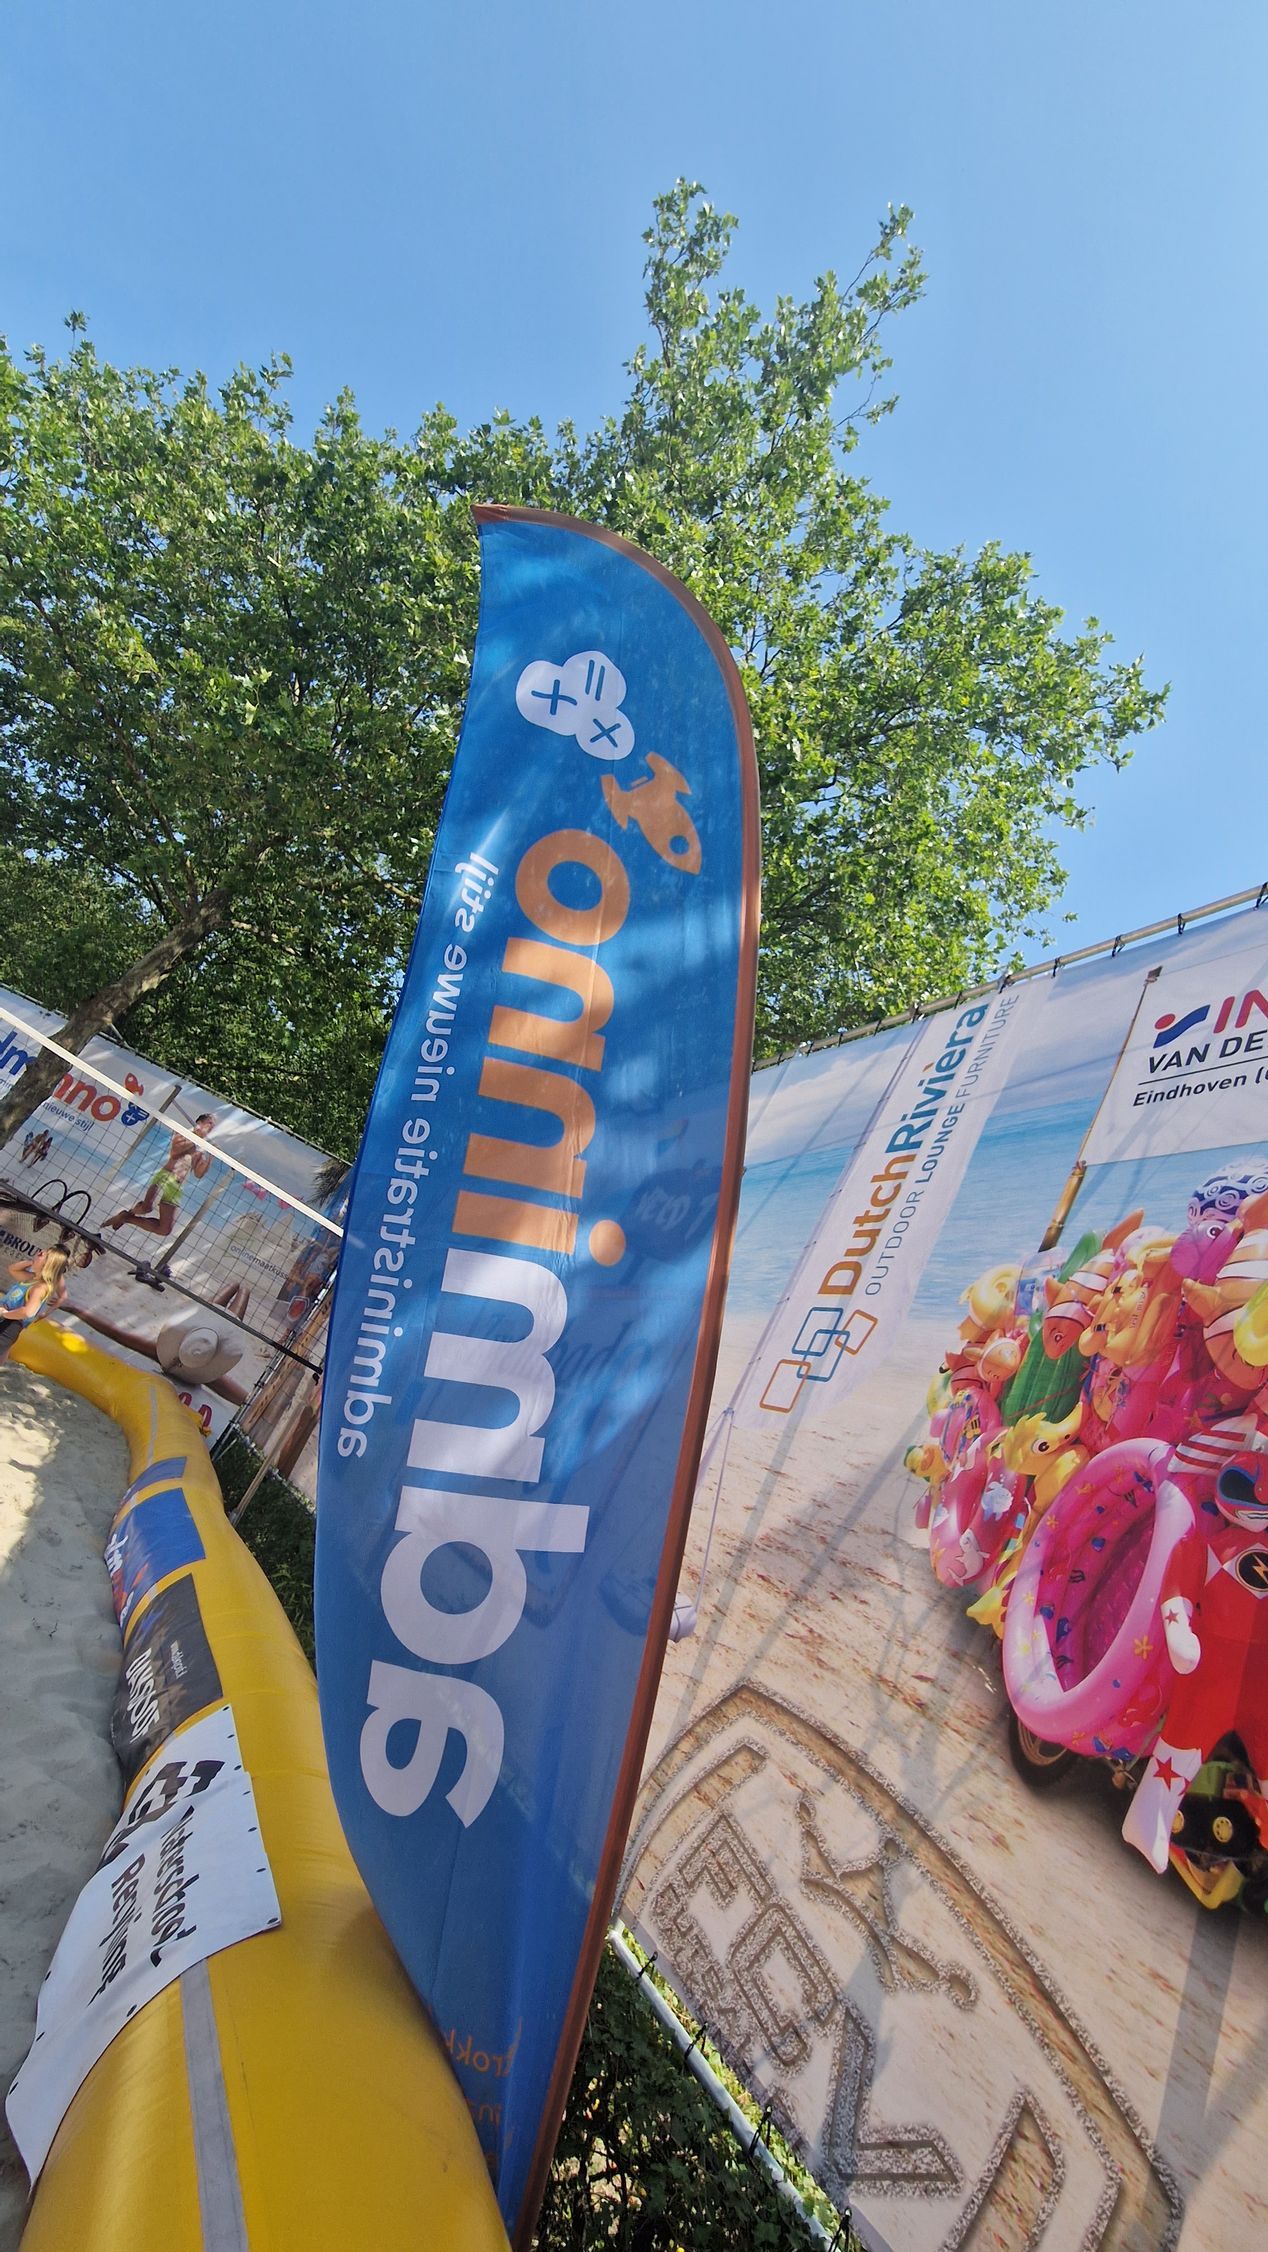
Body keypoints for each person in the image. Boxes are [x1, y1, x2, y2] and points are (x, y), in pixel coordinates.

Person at [106, 1113, 215, 1239]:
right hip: (166, 1176)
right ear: (199, 1123)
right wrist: (196, 1137)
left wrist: (210, 1159)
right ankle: (129, 1214)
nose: (210, 1129)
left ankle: (127, 1218)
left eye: (212, 1127)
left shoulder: (201, 1149)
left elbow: (198, 1174)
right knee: (147, 1208)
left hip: (177, 1187)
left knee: (165, 1229)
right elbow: (176, 1153)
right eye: (209, 1125)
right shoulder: (183, 1134)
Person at [0, 1242, 72, 1364]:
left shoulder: (40, 1288)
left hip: (11, 1322)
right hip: (8, 1317)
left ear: (47, 1264)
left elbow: (28, 1312)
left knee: (4, 1346)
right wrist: (31, 1262)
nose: (37, 1253)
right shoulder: (32, 1277)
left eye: (40, 1254)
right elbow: (13, 1269)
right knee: (4, 1350)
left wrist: (4, 1314)